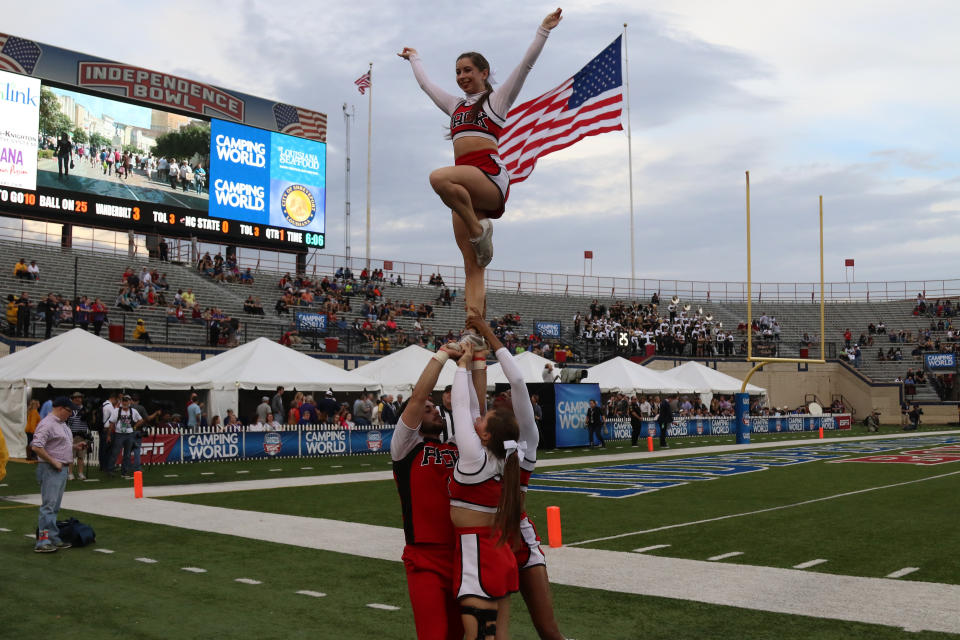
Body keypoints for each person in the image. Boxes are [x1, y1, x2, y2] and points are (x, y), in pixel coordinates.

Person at [399, 8, 562, 319]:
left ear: (484, 73)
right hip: (466, 191)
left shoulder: (496, 100)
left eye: (468, 70)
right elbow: (426, 86)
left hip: (488, 178)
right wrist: (414, 58)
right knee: (472, 266)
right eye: (458, 71)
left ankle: (478, 230)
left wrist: (544, 30)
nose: (462, 76)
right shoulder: (454, 105)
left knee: (438, 178)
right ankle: (474, 327)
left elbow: (525, 66)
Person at [467, 316, 565, 639]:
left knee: (548, 631)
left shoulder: (526, 445)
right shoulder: (479, 451)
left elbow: (519, 384)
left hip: (518, 538)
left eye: (500, 405)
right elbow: (471, 404)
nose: (505, 397)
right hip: (490, 542)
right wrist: (471, 357)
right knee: (491, 632)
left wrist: (486, 332)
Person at [390, 340, 464, 640]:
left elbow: (475, 406)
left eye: (437, 408)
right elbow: (419, 397)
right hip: (424, 557)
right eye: (428, 409)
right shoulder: (405, 446)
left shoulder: (454, 445)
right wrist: (444, 355)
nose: (434, 411)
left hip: (462, 552)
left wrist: (468, 364)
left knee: (461, 634)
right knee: (434, 634)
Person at [449, 341, 523, 640]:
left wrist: (462, 365)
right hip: (494, 549)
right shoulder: (504, 457)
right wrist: (474, 360)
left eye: (483, 420)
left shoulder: (475, 458)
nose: (477, 417)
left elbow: (460, 406)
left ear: (487, 435)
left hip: (477, 551)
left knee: (480, 638)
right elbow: (470, 408)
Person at [31, 396, 84, 552]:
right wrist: (53, 461)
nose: (71, 414)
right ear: (61, 408)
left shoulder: (61, 424)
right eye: (69, 411)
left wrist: (75, 446)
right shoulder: (47, 424)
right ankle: (42, 541)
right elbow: (36, 446)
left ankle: (52, 537)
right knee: (48, 506)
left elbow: (57, 444)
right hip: (51, 468)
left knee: (54, 506)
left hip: (59, 468)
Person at [105, 395, 144, 478]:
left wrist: (134, 427)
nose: (125, 402)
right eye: (124, 401)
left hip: (130, 435)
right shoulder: (116, 411)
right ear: (121, 402)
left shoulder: (133, 411)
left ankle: (124, 472)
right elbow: (111, 423)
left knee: (127, 454)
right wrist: (108, 435)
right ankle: (110, 470)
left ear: (130, 402)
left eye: (127, 401)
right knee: (115, 453)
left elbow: (141, 420)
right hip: (119, 434)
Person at [66, 391, 91, 481]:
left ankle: (80, 473)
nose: (77, 399)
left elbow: (90, 422)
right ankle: (70, 473)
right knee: (71, 456)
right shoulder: (69, 409)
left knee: (81, 456)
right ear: (72, 399)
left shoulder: (85, 409)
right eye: (75, 398)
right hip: (71, 435)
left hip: (82, 436)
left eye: (79, 397)